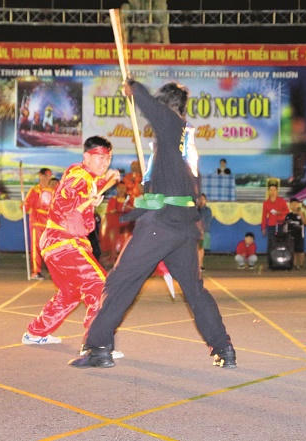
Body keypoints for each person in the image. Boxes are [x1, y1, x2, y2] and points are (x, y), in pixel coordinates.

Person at [70, 79, 236, 369]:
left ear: (167, 105)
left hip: (163, 224)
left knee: (121, 280)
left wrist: (133, 87)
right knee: (195, 291)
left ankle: (98, 347)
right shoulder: (184, 141)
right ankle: (223, 348)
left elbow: (153, 110)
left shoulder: (172, 125)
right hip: (184, 227)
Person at [21, 136, 120, 346]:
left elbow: (88, 187)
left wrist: (105, 181)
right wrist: (85, 199)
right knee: (100, 286)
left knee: (70, 293)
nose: (105, 163)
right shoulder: (79, 177)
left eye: (108, 159)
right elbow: (67, 195)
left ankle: (36, 333)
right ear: (86, 156)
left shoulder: (84, 175)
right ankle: (95, 345)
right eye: (100, 157)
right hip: (65, 242)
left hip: (56, 242)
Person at [24, 168, 54, 280]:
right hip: (37, 222)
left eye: (49, 176)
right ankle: (36, 271)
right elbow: (26, 206)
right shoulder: (35, 190)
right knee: (36, 247)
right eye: (46, 176)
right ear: (41, 176)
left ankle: (53, 270)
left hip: (49, 223)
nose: (47, 179)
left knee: (51, 247)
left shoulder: (53, 191)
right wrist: (24, 205)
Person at [101, 181, 133, 265]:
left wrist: (129, 208)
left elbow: (133, 211)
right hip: (114, 225)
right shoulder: (112, 200)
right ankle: (112, 258)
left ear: (126, 189)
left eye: (123, 188)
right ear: (117, 189)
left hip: (126, 225)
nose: (121, 190)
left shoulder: (130, 200)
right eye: (119, 188)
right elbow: (109, 213)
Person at [261, 182, 289, 251]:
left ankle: (280, 257)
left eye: (274, 190)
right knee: (271, 243)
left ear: (277, 191)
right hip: (271, 226)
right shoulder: (266, 203)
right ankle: (270, 257)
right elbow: (264, 216)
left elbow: (287, 212)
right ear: (268, 191)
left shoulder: (282, 200)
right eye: (271, 190)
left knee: (280, 243)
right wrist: (263, 228)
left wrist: (279, 213)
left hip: (281, 225)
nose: (272, 192)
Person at [285, 197, 306, 269]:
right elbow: (285, 225)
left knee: (300, 251)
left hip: (300, 235)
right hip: (291, 236)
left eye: (296, 204)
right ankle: (294, 265)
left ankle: (301, 264)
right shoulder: (288, 215)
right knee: (293, 251)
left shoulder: (302, 214)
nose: (294, 206)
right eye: (292, 204)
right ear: (290, 206)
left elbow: (305, 223)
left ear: (298, 205)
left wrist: (301, 214)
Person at [197, 193, 212, 271]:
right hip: (194, 232)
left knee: (201, 249)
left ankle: (200, 265)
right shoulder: (195, 209)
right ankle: (196, 265)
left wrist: (202, 231)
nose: (201, 201)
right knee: (195, 249)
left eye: (203, 199)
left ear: (206, 200)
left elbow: (207, 222)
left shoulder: (208, 210)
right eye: (200, 199)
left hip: (204, 232)